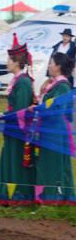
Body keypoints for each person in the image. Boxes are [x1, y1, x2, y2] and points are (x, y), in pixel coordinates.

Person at [0, 37, 37, 205]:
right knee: (9, 161)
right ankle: (5, 197)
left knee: (17, 163)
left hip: (19, 131)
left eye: (9, 60)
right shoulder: (18, 80)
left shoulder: (23, 82)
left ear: (17, 62)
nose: (7, 63)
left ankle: (20, 198)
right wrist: (4, 114)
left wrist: (4, 116)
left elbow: (21, 110)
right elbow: (14, 108)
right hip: (12, 128)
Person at [30, 52, 76, 205]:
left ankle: (53, 198)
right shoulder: (53, 84)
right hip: (48, 128)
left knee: (52, 163)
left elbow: (58, 111)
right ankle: (45, 197)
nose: (49, 65)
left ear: (58, 66)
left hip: (54, 129)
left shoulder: (62, 86)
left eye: (51, 62)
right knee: (46, 162)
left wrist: (38, 109)